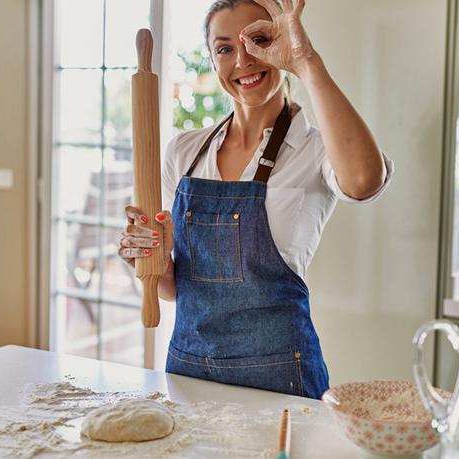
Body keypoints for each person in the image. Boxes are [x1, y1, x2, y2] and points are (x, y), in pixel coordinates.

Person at [119, 0, 393, 399]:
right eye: (225, 48)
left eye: (259, 40)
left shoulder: (315, 150)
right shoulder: (184, 151)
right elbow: (172, 288)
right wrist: (146, 258)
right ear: (213, 61)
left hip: (281, 379)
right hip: (189, 373)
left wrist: (306, 61)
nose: (243, 60)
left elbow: (365, 181)